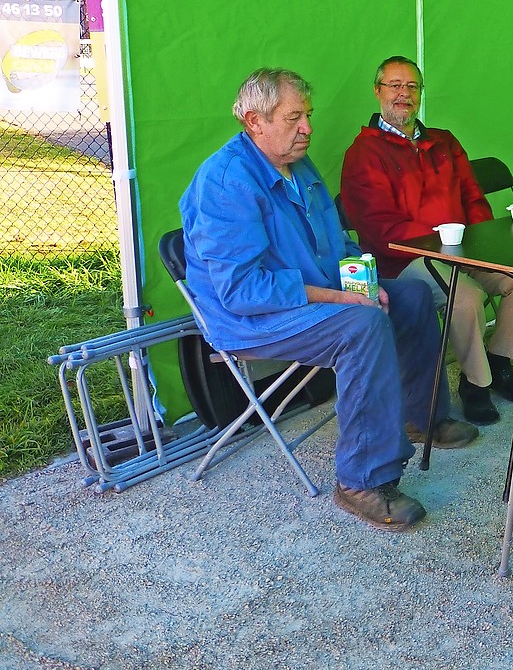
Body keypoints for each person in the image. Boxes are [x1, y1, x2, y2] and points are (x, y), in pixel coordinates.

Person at [180, 68, 472, 532]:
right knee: (362, 325)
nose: (308, 128)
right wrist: (342, 298)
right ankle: (361, 480)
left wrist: (363, 280)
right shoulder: (225, 182)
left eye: (308, 115)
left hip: (314, 294)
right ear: (255, 121)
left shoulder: (299, 165)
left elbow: (336, 247)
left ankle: (422, 417)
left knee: (411, 295)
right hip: (253, 317)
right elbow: (244, 291)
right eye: (294, 117)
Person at [340, 56, 513, 425]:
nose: (404, 94)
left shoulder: (443, 141)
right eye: (395, 86)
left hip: (464, 249)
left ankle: (499, 362)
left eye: (412, 86)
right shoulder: (364, 154)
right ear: (378, 91)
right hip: (404, 261)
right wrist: (437, 245)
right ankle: (476, 385)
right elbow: (379, 227)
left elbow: (473, 198)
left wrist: (484, 243)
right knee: (464, 298)